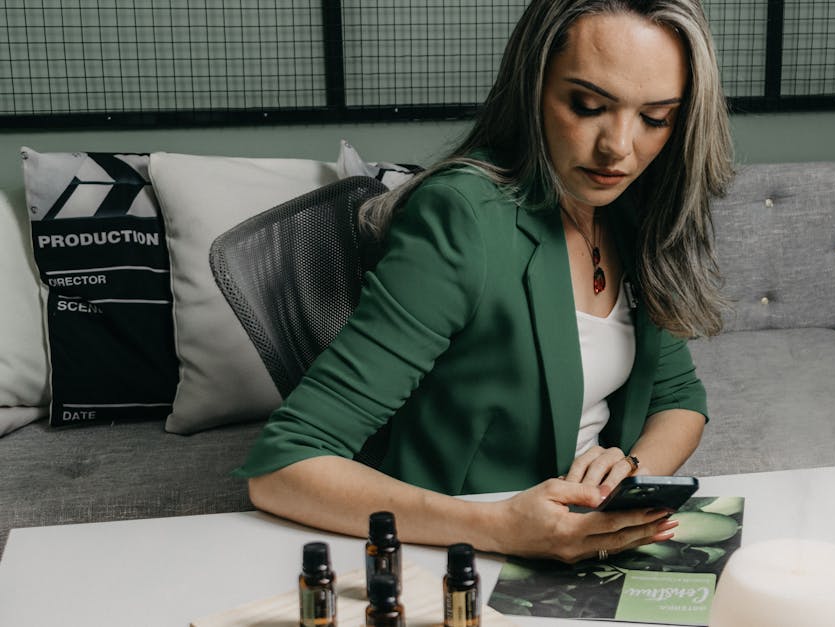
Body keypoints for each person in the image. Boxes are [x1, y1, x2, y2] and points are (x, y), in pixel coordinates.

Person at [236, 0, 734, 564]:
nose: (619, 147)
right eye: (589, 105)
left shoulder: (629, 207)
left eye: (655, 118)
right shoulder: (461, 219)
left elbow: (680, 398)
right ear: (532, 90)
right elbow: (281, 467)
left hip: (580, 541)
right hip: (474, 553)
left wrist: (632, 470)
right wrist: (499, 528)